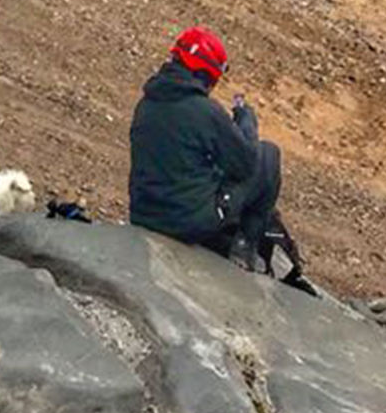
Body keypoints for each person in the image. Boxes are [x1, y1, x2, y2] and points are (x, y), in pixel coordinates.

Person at [127, 26, 315, 293]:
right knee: (268, 156)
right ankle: (245, 247)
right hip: (188, 224)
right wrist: (245, 124)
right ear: (206, 74)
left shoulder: (148, 103)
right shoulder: (205, 112)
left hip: (145, 215)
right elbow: (246, 164)